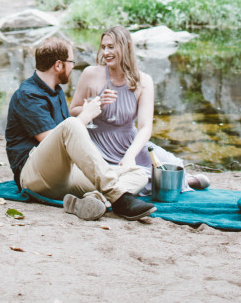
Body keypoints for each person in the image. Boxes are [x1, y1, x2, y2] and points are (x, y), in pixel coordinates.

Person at [5, 34, 155, 221]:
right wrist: (86, 115)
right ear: (59, 65)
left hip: (64, 174)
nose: (73, 66)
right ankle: (118, 198)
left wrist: (90, 109)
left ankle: (94, 201)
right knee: (71, 124)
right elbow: (53, 139)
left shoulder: (56, 91)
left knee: (138, 173)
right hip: (33, 175)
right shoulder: (27, 95)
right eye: (71, 61)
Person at [70, 25, 209, 193]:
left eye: (111, 47)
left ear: (127, 47)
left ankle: (183, 179)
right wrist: (95, 106)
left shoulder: (144, 81)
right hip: (97, 142)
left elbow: (145, 127)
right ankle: (172, 183)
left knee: (173, 166)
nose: (105, 52)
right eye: (104, 47)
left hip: (129, 142)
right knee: (111, 174)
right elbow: (73, 111)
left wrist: (130, 155)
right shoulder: (90, 73)